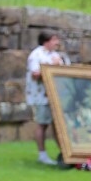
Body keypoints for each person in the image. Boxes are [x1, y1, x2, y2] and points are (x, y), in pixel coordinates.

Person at [25, 31, 70, 165]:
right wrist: (52, 66)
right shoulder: (36, 55)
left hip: (56, 96)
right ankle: (42, 155)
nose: (57, 43)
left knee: (59, 125)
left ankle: (66, 153)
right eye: (54, 40)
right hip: (41, 97)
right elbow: (35, 75)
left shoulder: (56, 55)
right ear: (46, 41)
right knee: (42, 124)